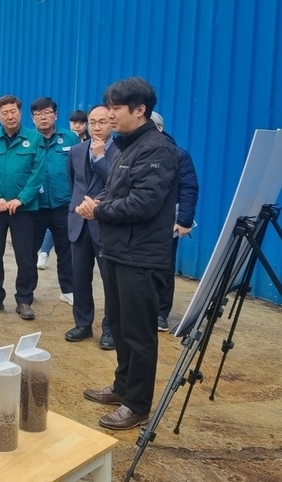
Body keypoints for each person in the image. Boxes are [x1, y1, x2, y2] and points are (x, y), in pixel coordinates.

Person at [78, 77, 179, 431]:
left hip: (141, 255)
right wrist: (100, 202)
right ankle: (122, 387)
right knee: (119, 326)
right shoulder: (128, 146)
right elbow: (118, 190)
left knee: (139, 332)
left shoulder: (158, 149)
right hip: (119, 250)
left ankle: (137, 404)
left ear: (140, 110)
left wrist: (99, 212)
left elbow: (145, 202)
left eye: (117, 109)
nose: (110, 114)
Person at [0, 95, 45, 320]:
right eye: (4, 113)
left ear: (20, 112)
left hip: (23, 209)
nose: (10, 116)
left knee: (25, 255)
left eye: (13, 111)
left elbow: (38, 173)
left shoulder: (34, 139)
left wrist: (21, 199)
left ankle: (24, 299)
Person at [65, 104, 118, 350]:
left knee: (111, 281)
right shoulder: (76, 150)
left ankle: (111, 329)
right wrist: (77, 206)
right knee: (79, 277)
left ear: (112, 122)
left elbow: (118, 184)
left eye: (103, 122)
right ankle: (83, 324)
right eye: (92, 122)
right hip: (78, 222)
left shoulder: (122, 152)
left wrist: (100, 157)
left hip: (105, 223)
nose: (97, 126)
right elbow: (74, 183)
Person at [151, 112, 200, 332]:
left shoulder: (179, 155)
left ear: (160, 128)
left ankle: (161, 313)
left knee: (163, 267)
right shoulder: (131, 151)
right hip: (137, 221)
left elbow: (189, 188)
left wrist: (184, 219)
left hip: (166, 224)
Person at [29, 97, 78, 305]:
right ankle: (27, 291)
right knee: (29, 250)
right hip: (34, 205)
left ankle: (68, 290)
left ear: (55, 115)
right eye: (38, 114)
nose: (43, 117)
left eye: (47, 112)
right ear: (32, 118)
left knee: (66, 249)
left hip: (63, 204)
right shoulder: (28, 139)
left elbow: (80, 171)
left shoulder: (70, 139)